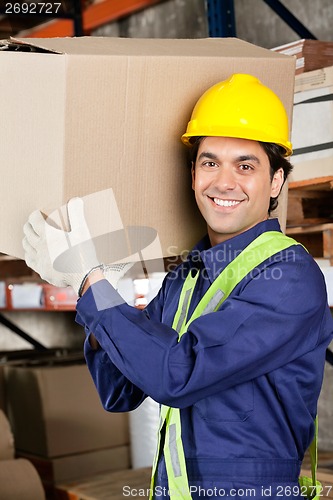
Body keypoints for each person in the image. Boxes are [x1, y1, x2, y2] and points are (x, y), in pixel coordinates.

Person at [23, 74, 333, 500]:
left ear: (276, 181)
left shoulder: (289, 278)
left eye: (246, 165)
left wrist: (89, 282)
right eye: (210, 162)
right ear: (192, 175)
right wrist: (101, 289)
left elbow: (177, 376)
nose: (224, 182)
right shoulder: (189, 274)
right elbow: (120, 389)